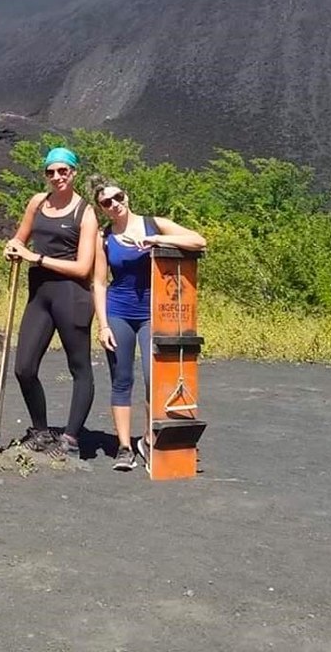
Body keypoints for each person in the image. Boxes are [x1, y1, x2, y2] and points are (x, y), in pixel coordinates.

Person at [92, 180, 207, 471]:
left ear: (126, 197)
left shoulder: (153, 224)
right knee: (122, 378)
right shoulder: (104, 236)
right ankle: (124, 447)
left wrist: (159, 241)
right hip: (119, 311)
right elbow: (99, 282)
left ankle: (147, 438)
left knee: (152, 377)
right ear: (102, 209)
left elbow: (198, 241)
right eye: (106, 202)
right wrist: (102, 325)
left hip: (152, 314)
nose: (114, 204)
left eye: (117, 197)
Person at [2, 147, 106, 459]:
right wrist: (13, 247)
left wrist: (36, 257)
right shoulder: (37, 202)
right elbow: (19, 238)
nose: (57, 177)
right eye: (51, 172)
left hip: (71, 294)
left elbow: (83, 267)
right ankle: (41, 430)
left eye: (63, 171)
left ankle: (72, 438)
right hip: (40, 294)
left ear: (74, 173)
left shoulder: (85, 213)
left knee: (79, 367)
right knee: (24, 367)